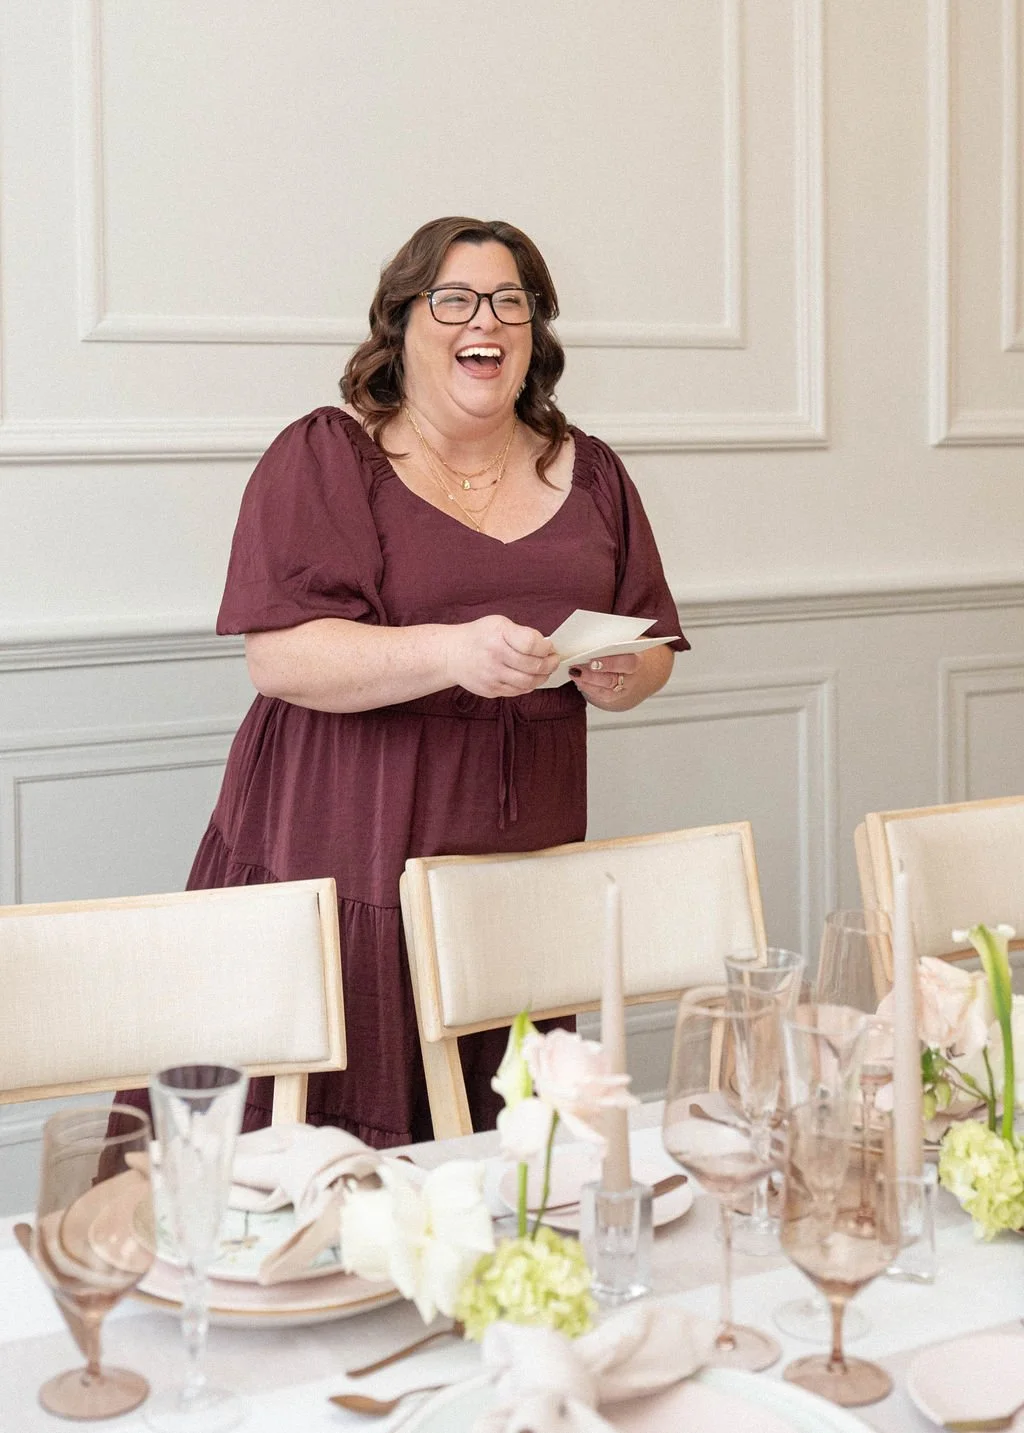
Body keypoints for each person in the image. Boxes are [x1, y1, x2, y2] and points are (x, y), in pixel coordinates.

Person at [120, 216, 689, 1147]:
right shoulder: (328, 455)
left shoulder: (592, 471)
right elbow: (279, 656)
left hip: (513, 878)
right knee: (308, 1171)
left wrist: (629, 674)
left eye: (512, 302)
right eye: (456, 298)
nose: (489, 320)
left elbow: (654, 641)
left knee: (506, 1173)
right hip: (342, 850)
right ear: (402, 324)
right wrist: (450, 653)